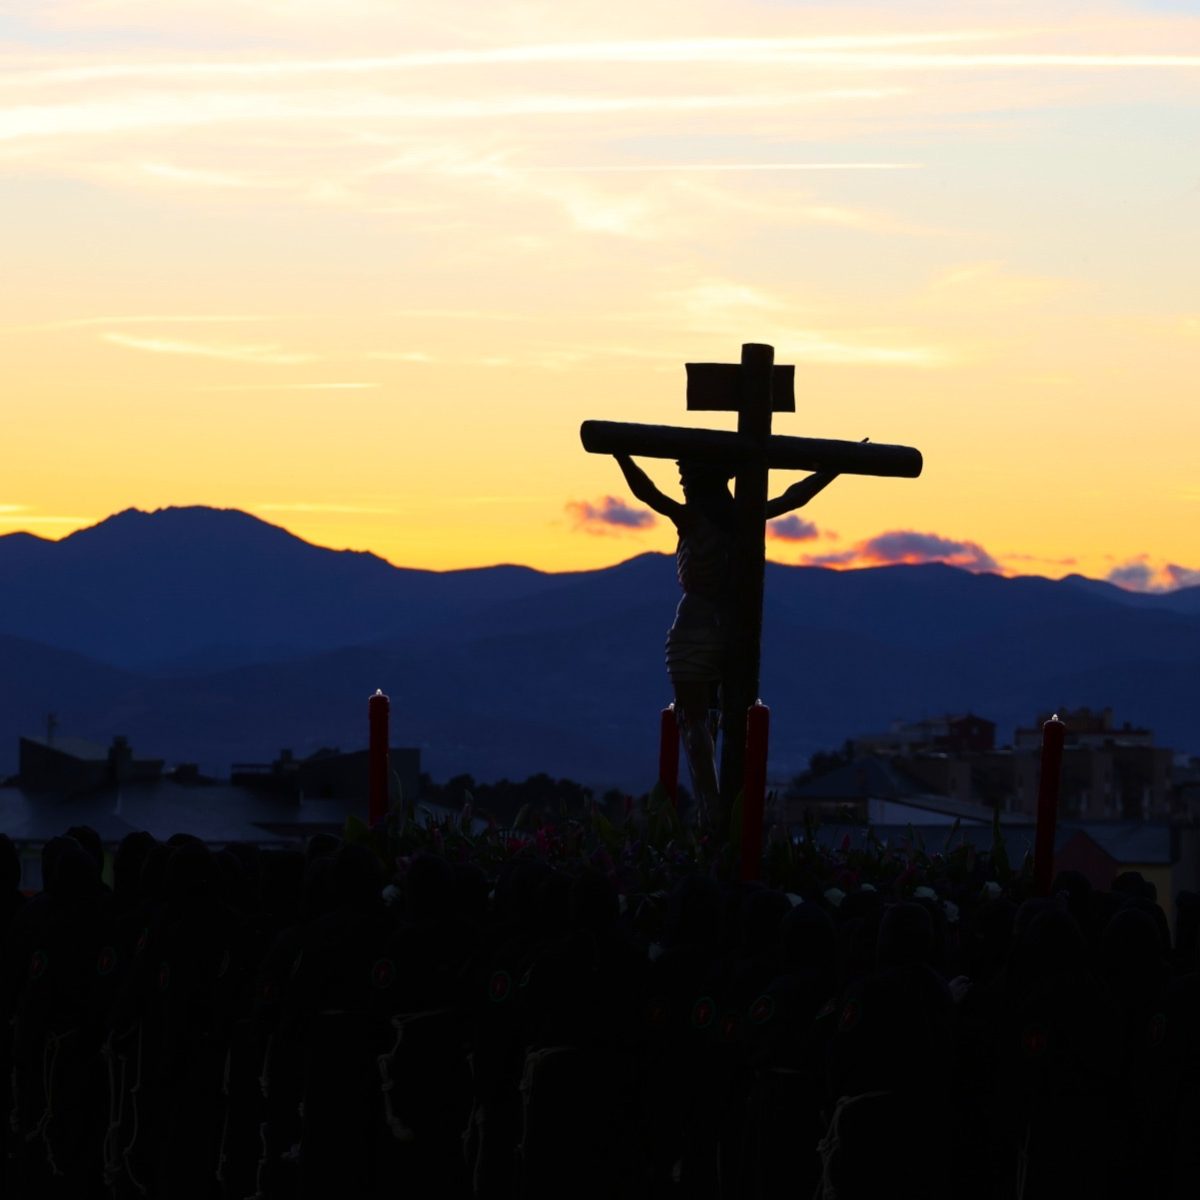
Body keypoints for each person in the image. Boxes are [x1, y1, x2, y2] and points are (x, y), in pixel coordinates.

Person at [613, 452, 840, 819]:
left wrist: (620, 454)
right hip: (731, 626)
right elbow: (795, 497)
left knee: (695, 719)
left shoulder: (693, 518)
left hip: (695, 626)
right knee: (707, 717)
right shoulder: (740, 519)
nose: (682, 484)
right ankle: (714, 806)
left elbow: (646, 492)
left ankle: (711, 806)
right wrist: (833, 468)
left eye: (686, 477)